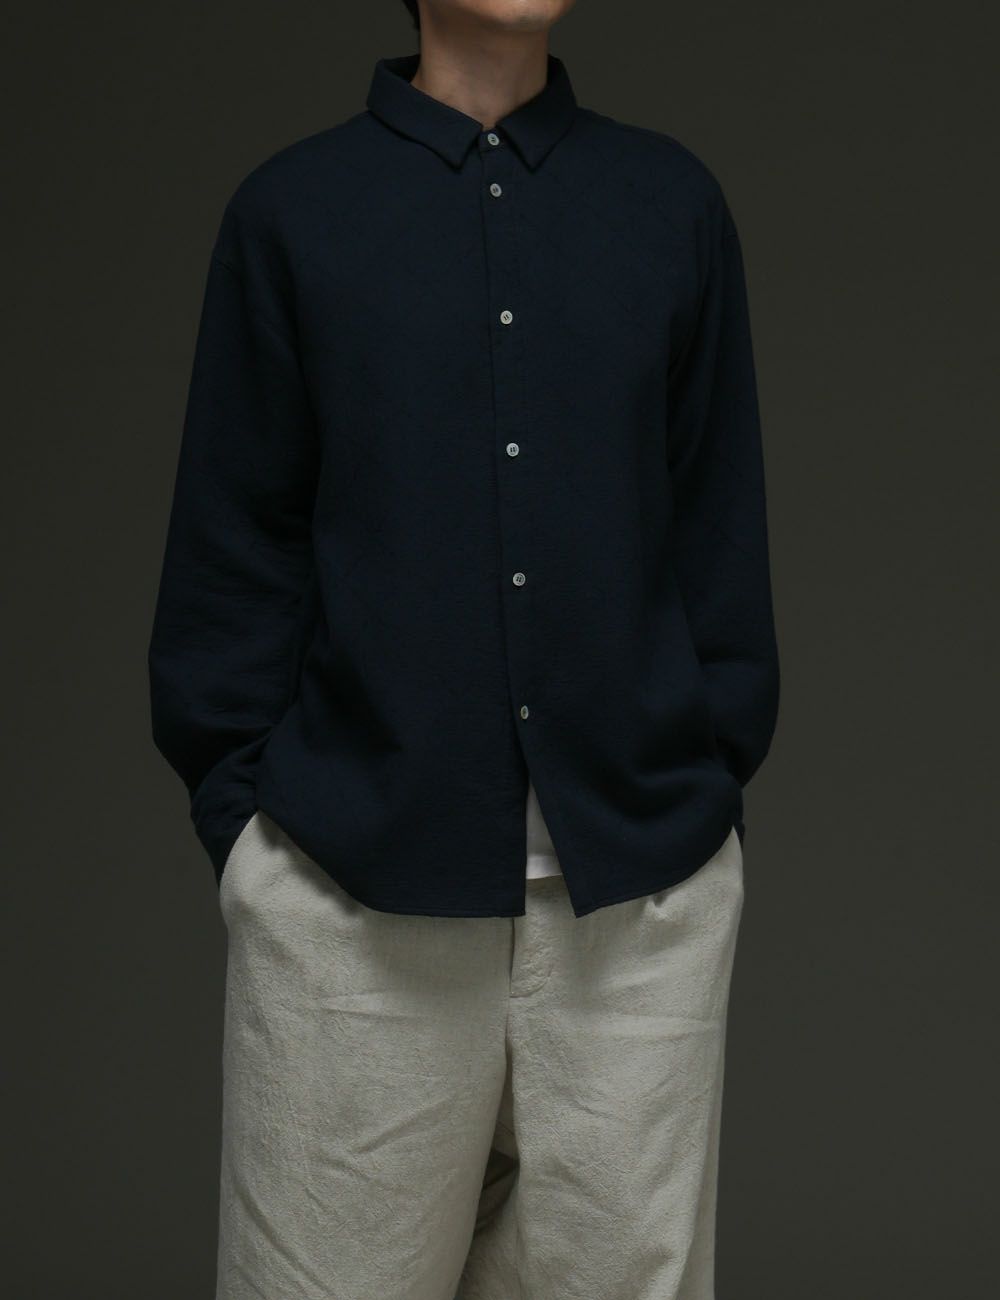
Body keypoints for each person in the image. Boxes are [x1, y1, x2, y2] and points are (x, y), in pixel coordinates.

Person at [147, 1, 781, 1296]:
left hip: (638, 910)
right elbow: (232, 556)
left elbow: (718, 539)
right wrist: (253, 849)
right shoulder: (293, 214)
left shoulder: (671, 207)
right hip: (348, 904)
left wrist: (702, 804)